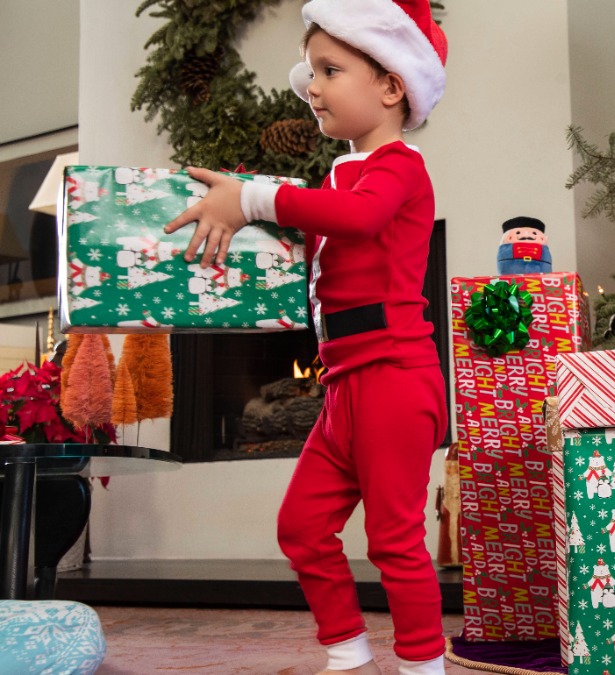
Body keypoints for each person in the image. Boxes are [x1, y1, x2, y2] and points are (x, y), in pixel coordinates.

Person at [163, 1, 449, 673]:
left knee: (394, 539)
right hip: (345, 383)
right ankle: (347, 652)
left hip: (395, 378)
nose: (310, 84)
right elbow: (315, 241)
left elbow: (361, 216)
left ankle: (421, 664)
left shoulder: (399, 166)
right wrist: (240, 224)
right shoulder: (337, 176)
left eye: (329, 69)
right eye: (311, 69)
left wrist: (256, 198)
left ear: (391, 85)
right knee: (300, 527)